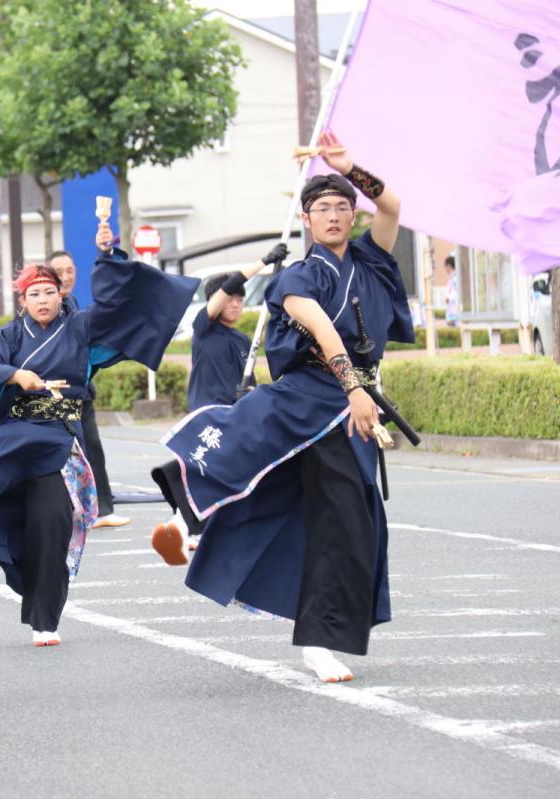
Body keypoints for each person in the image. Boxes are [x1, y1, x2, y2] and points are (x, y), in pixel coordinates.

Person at [152, 131, 413, 683]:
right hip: (313, 398)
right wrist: (355, 390)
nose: (336, 216)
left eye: (345, 206)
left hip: (351, 411)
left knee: (352, 524)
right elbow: (319, 327)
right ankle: (185, 507)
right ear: (307, 218)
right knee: (267, 473)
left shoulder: (370, 259)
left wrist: (350, 166)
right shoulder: (297, 275)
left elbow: (392, 206)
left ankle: (317, 637)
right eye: (324, 208)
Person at [0, 219, 197, 646]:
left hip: (56, 437)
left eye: (49, 292)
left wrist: (108, 254)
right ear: (22, 301)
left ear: (61, 296)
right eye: (33, 294)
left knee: (52, 523)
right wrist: (18, 375)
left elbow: (118, 306)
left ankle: (46, 618)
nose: (42, 299)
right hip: (14, 430)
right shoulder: (9, 335)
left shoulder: (80, 328)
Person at [150, 242, 286, 560]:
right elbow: (227, 287)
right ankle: (187, 527)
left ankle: (182, 529)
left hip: (234, 417)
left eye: (241, 301)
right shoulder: (204, 327)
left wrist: (251, 395)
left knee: (217, 476)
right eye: (232, 299)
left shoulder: (242, 341)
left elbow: (249, 383)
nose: (237, 304)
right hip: (207, 415)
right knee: (203, 471)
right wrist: (263, 263)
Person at [49, 249, 129, 529]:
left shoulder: (73, 304)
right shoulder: (46, 307)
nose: (66, 276)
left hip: (81, 392)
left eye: (70, 270)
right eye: (59, 271)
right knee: (61, 454)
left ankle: (103, 509)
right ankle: (68, 510)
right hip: (54, 395)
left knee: (93, 449)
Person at [444, 254, 460, 326]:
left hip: (454, 309)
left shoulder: (455, 278)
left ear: (449, 266)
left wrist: (448, 298)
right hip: (452, 308)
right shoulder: (453, 277)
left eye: (446, 266)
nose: (445, 269)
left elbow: (456, 292)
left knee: (454, 324)